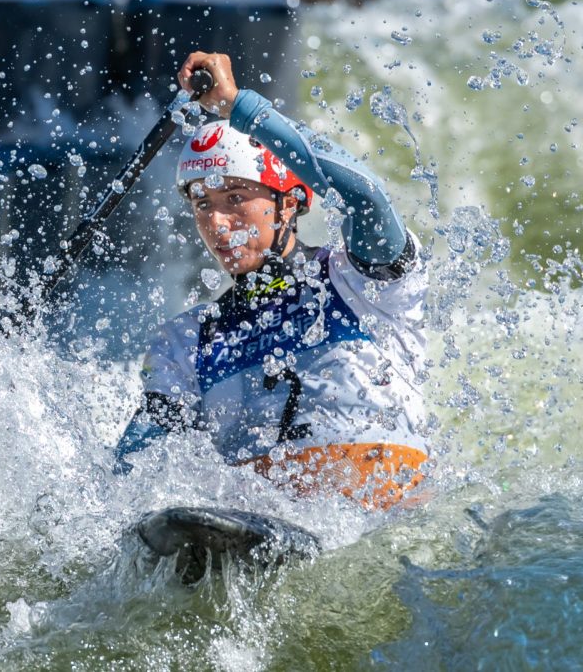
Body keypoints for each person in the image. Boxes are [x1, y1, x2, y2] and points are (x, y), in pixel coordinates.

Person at [114, 51, 429, 509]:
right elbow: (132, 470)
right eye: (202, 203)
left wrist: (239, 106)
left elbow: (367, 197)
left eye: (236, 197)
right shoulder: (186, 342)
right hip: (264, 532)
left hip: (390, 521)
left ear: (289, 204)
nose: (217, 223)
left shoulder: (362, 283)